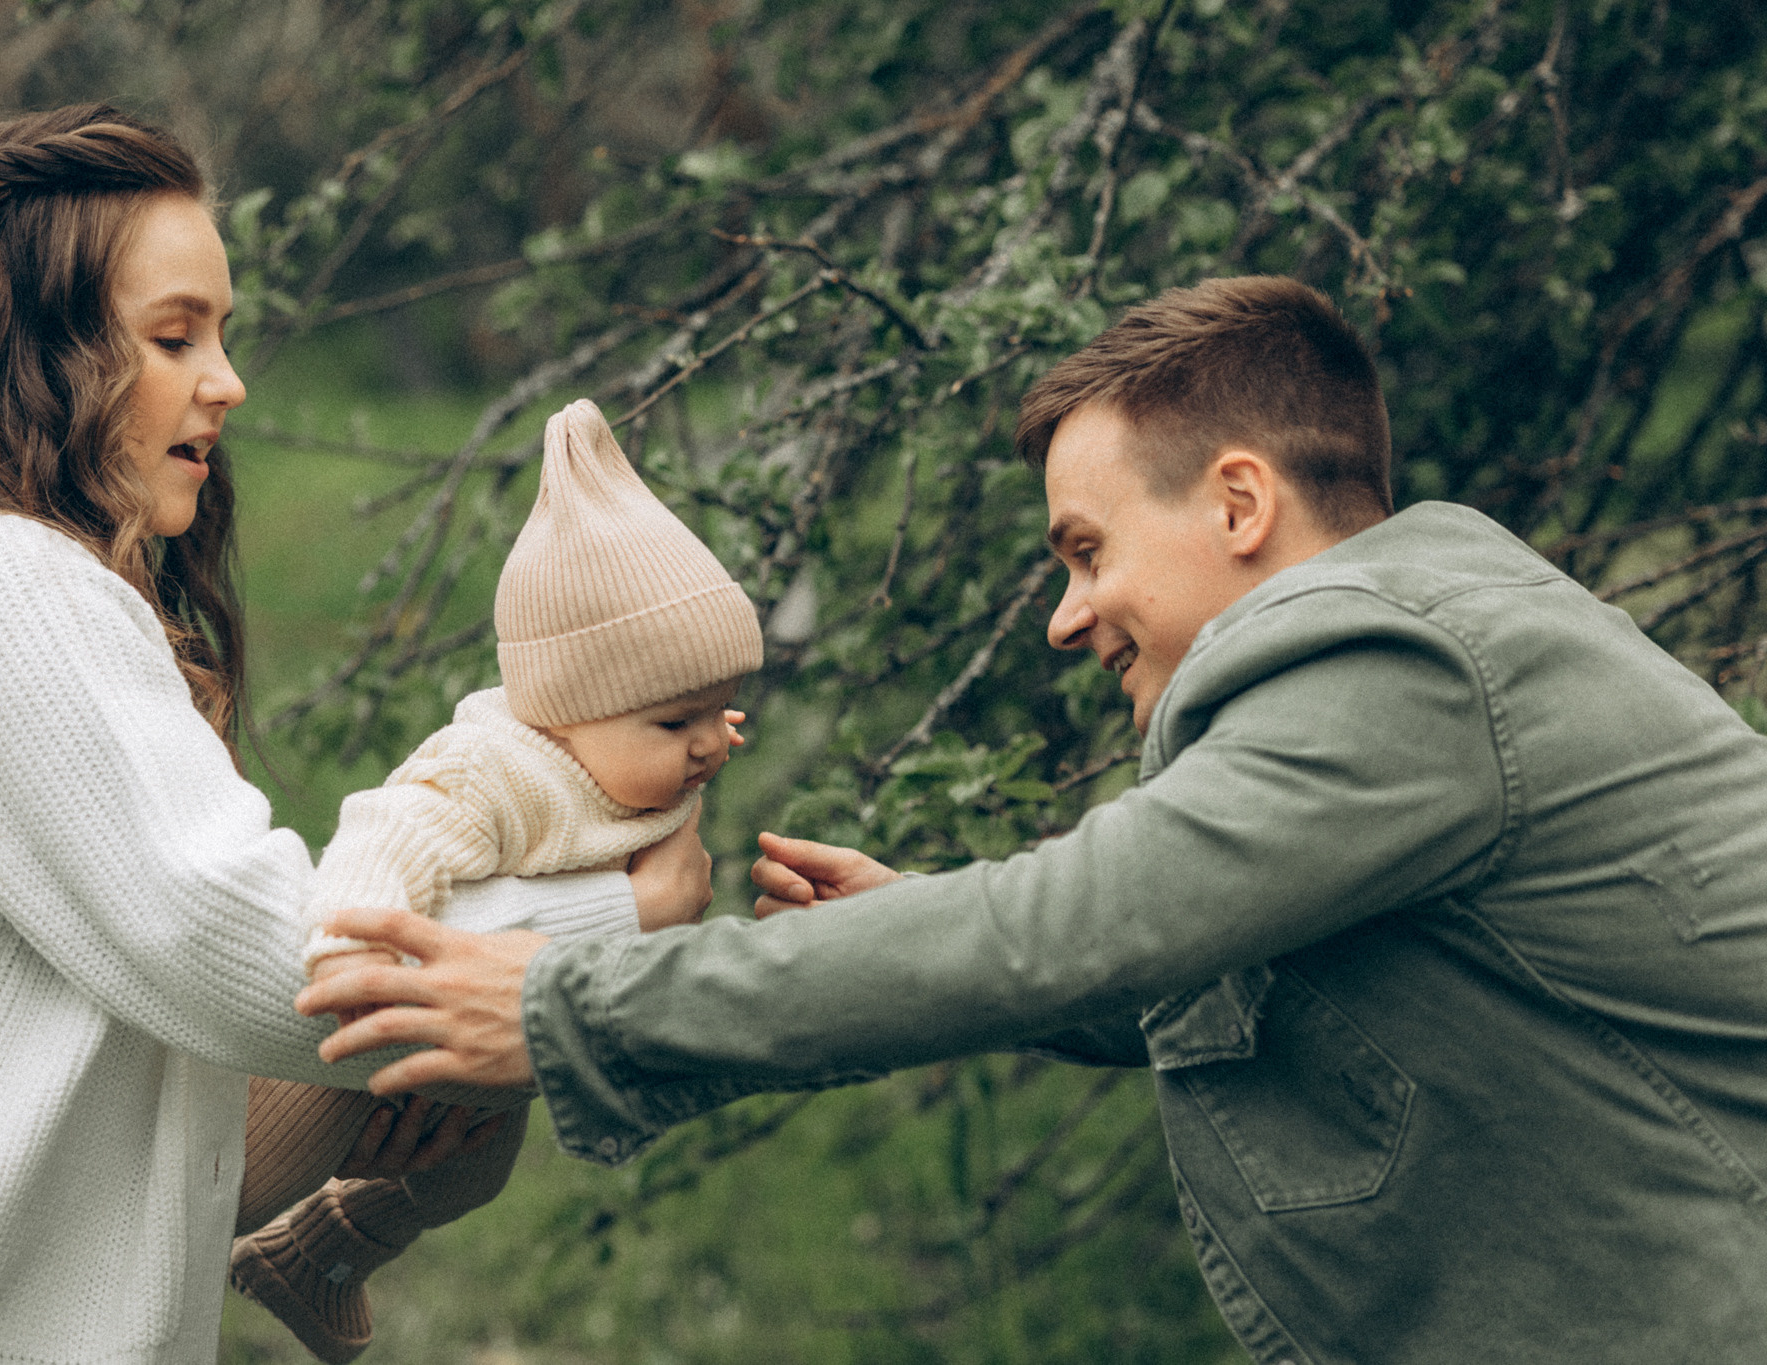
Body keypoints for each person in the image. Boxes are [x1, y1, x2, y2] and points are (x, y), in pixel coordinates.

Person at [297, 276, 1767, 1363]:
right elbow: (1211, 970)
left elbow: (1078, 929)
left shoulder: (1386, 653)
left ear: (1241, 503)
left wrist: (574, 1003)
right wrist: (916, 932)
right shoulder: (1430, 639)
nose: (1066, 617)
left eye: (1085, 550)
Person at [0, 105, 705, 1364]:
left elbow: (64, 1156)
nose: (226, 381)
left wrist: (358, 1115)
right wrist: (626, 918)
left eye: (221, 335)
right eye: (172, 335)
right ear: (28, 355)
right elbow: (261, 966)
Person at [230, 396, 759, 1362]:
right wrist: (357, 937)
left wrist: (686, 723)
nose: (706, 745)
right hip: (362, 1038)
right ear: (567, 707)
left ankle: (317, 1253)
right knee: (260, 1167)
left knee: (470, 1176)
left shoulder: (618, 754)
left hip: (486, 1048)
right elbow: (393, 830)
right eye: (677, 719)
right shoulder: (502, 771)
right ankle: (218, 1233)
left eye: (719, 711)